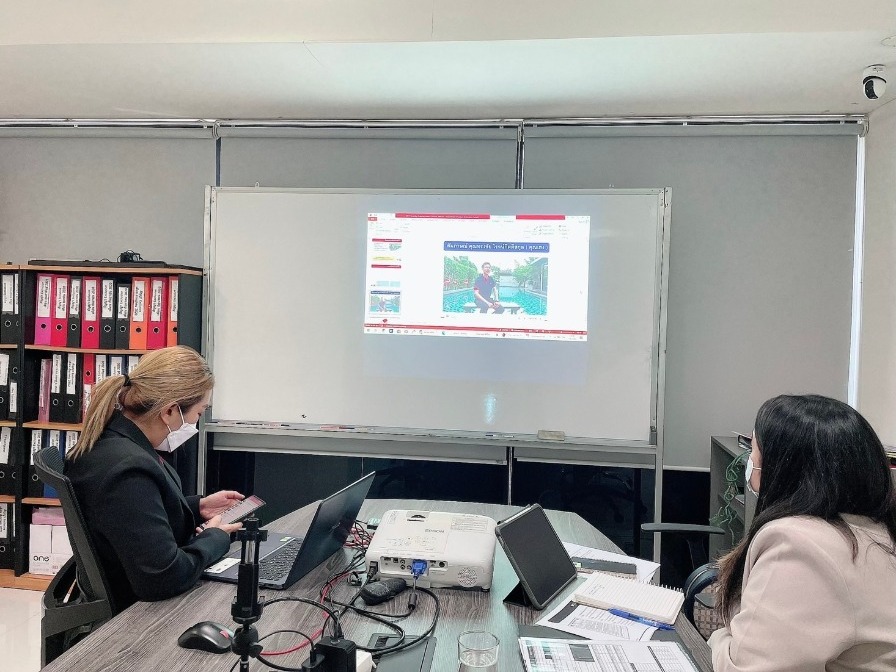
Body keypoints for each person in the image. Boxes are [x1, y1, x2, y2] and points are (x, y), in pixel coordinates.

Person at [709, 394, 896, 671]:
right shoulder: (874, 532)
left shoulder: (799, 545)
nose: (750, 461)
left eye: (754, 451)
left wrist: (718, 638)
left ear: (784, 467)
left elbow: (746, 666)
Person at [65, 346, 244, 611]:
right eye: (199, 412)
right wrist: (215, 538)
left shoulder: (116, 441)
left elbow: (132, 517)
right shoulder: (128, 470)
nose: (196, 422)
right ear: (170, 411)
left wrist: (196, 507)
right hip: (137, 614)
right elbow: (164, 578)